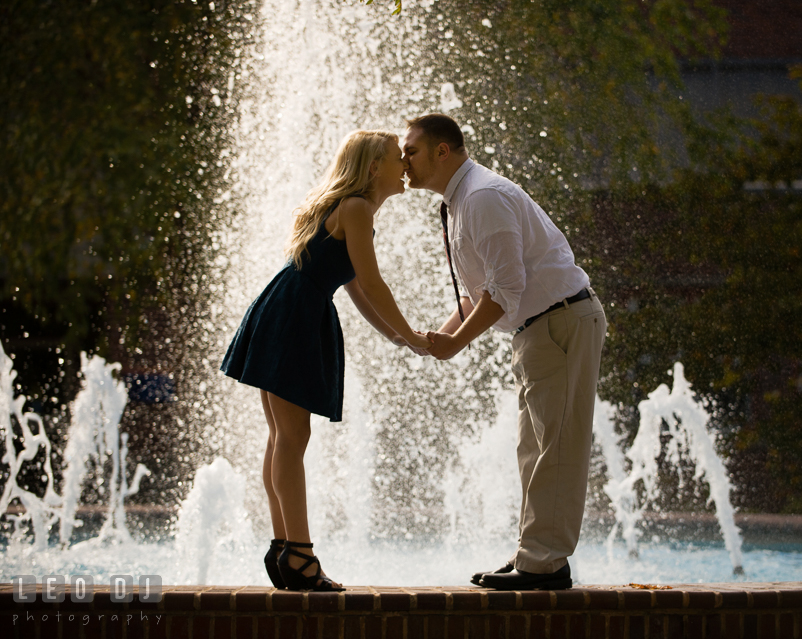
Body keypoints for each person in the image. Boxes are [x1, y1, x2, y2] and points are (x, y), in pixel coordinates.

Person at [402, 114, 606, 590]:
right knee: (534, 450)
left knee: (556, 448)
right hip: (542, 327)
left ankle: (544, 565)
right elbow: (481, 292)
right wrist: (437, 337)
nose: (402, 159)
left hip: (559, 322)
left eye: (410, 150)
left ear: (442, 152)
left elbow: (508, 288)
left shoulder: (480, 198)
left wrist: (456, 342)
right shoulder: (461, 201)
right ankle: (535, 556)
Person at [221, 130, 431, 591]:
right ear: (374, 168)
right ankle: (298, 555)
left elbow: (355, 286)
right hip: (295, 312)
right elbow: (372, 284)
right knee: (291, 436)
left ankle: (284, 548)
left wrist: (396, 336)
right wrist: (412, 333)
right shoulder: (356, 208)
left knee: (283, 436)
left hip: (290, 307)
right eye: (398, 159)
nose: (405, 166)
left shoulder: (354, 209)